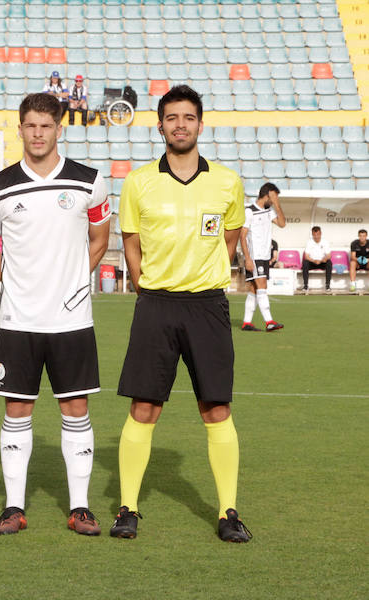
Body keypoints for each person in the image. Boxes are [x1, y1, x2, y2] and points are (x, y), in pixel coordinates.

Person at [112, 85, 252, 543]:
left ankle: (228, 512)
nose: (180, 125)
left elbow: (229, 239)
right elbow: (130, 240)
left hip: (207, 306)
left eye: (188, 117)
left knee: (216, 408)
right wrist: (143, 282)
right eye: (172, 117)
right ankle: (128, 509)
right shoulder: (138, 182)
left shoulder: (227, 182)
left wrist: (203, 274)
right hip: (156, 305)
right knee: (144, 407)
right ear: (160, 125)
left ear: (200, 124)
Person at [0, 93, 110, 536]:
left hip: (72, 320)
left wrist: (73, 283)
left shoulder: (89, 181)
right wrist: (17, 285)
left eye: (46, 126)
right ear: (20, 129)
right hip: (19, 320)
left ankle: (80, 508)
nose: (38, 134)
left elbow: (98, 239)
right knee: (18, 408)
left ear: (59, 129)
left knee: (76, 406)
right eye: (30, 126)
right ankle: (14, 507)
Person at [240, 183, 286, 332]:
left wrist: (277, 205)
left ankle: (247, 323)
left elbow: (282, 224)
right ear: (267, 195)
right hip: (255, 256)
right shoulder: (249, 211)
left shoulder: (269, 211)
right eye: (273, 197)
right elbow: (242, 236)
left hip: (265, 256)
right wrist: (247, 258)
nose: (274, 201)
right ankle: (269, 321)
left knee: (254, 288)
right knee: (262, 287)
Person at [301, 225, 331, 292]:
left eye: (318, 234)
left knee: (329, 262)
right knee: (305, 262)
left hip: (322, 262)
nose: (316, 236)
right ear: (312, 234)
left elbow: (329, 255)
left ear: (321, 234)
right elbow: (306, 256)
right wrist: (314, 260)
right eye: (314, 235)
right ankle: (305, 285)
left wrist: (322, 260)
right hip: (312, 262)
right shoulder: (309, 242)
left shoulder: (325, 242)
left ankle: (327, 285)